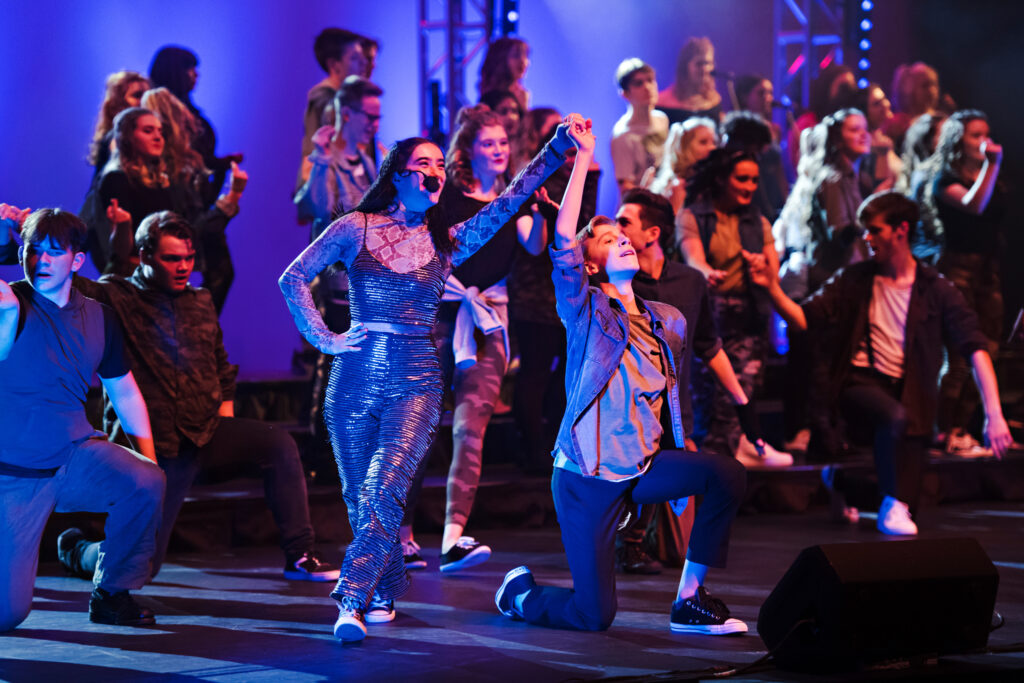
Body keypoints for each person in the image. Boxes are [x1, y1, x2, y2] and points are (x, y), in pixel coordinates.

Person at [278, 112, 579, 641]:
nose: (435, 172)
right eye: (423, 164)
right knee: (359, 497)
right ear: (397, 175)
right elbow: (293, 277)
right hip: (352, 374)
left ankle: (350, 598)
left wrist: (556, 149)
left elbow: (510, 198)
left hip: (416, 375)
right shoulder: (355, 227)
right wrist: (324, 338)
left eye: (442, 164)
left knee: (385, 484)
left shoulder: (450, 240)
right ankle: (387, 585)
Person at [495, 119, 747, 635]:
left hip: (644, 466)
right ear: (589, 267)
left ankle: (690, 599)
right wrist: (580, 156)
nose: (622, 241)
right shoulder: (584, 310)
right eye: (608, 240)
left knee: (725, 474)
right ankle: (520, 594)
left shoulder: (666, 319)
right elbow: (564, 239)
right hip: (587, 475)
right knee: (594, 616)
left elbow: (666, 399)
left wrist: (682, 459)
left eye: (624, 235)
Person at [65, 211, 337, 585]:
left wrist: (224, 414)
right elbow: (62, 282)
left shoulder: (200, 299)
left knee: (278, 443)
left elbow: (222, 366)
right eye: (171, 258)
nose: (183, 267)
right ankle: (79, 549)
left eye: (188, 259)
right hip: (156, 449)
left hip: (206, 434)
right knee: (142, 567)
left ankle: (300, 554)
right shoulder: (118, 295)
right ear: (144, 256)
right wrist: (18, 238)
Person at [747, 191, 1012, 534]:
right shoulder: (855, 279)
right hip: (858, 386)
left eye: (875, 230)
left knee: (911, 497)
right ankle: (890, 505)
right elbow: (804, 318)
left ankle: (842, 482)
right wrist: (771, 287)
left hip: (909, 395)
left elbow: (974, 347)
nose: (867, 239)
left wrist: (994, 414)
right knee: (894, 421)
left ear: (901, 231)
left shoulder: (935, 288)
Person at [0, 209, 164, 631]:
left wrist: (148, 461)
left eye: (55, 253)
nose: (41, 262)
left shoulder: (100, 317)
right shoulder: (10, 302)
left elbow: (123, 390)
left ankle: (111, 594)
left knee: (145, 481)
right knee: (8, 614)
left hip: (73, 456)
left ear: (77, 260)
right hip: (14, 473)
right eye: (33, 251)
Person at [616, 188, 780, 570]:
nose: (618, 228)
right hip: (631, 412)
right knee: (635, 480)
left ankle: (650, 538)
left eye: (626, 222)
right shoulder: (619, 283)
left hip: (675, 412)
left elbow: (708, 344)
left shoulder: (689, 282)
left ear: (652, 233)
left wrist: (742, 400)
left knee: (679, 549)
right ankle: (628, 540)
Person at [417, 104, 550, 571]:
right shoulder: (447, 194)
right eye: (489, 143)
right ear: (468, 150)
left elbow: (535, 245)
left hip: (490, 318)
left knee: (469, 428)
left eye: (503, 143)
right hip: (440, 315)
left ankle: (453, 536)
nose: (498, 151)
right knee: (416, 428)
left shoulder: (516, 195)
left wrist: (531, 199)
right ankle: (402, 535)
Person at [676, 149, 792, 465]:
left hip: (749, 316)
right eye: (742, 179)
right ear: (721, 179)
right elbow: (694, 259)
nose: (750, 186)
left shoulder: (758, 222)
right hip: (709, 316)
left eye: (754, 180)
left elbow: (773, 271)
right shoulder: (694, 216)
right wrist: (707, 273)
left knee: (739, 392)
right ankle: (719, 462)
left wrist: (763, 268)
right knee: (709, 397)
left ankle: (732, 456)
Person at [97, 107, 247, 312]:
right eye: (148, 131)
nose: (158, 137)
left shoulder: (160, 180)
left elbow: (189, 229)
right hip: (133, 286)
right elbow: (121, 252)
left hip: (160, 284)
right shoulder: (116, 179)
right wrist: (123, 227)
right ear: (128, 137)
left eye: (160, 131)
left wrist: (233, 195)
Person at [919, 111, 1006, 457]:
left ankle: (964, 426)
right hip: (957, 269)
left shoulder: (988, 175)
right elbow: (975, 205)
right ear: (957, 141)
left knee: (991, 348)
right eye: (975, 135)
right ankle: (944, 429)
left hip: (987, 269)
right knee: (958, 356)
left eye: (986, 134)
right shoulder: (944, 179)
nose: (983, 141)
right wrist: (993, 165)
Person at [150, 46, 243, 198]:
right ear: (174, 72)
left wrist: (221, 164)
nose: (196, 75)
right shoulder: (159, 117)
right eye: (189, 68)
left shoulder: (190, 112)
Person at [297, 28, 368, 190]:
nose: (364, 63)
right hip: (330, 193)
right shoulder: (326, 100)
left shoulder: (345, 99)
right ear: (334, 65)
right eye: (355, 58)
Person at [610, 58, 669, 197]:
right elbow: (625, 188)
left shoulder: (662, 119)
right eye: (638, 83)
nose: (647, 87)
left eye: (650, 80)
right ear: (625, 94)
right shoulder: (623, 135)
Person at [647, 117, 718, 217]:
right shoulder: (679, 186)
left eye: (714, 142)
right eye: (703, 142)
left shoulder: (711, 180)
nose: (712, 148)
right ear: (683, 146)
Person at [657, 37, 723, 126]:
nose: (704, 69)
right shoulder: (662, 103)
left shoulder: (714, 99)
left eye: (708, 63)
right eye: (699, 63)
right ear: (685, 67)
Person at [478, 37, 531, 112]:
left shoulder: (522, 95)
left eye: (526, 55)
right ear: (500, 60)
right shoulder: (489, 100)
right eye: (516, 55)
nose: (523, 61)